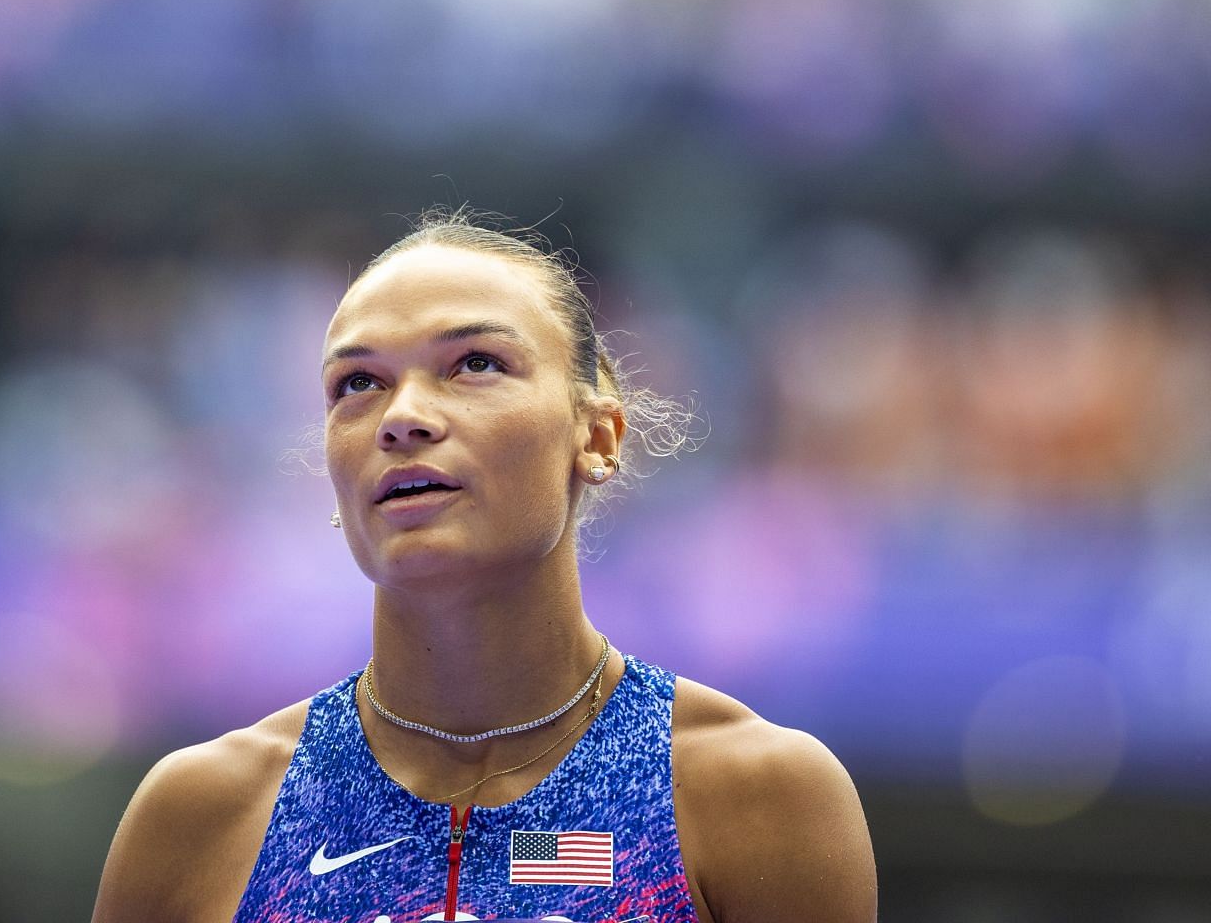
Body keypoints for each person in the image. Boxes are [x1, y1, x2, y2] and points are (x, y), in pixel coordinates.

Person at [91, 210, 877, 923]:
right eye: (358, 383)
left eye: (474, 365)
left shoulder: (756, 796)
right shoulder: (204, 814)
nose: (401, 418)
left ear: (597, 438)